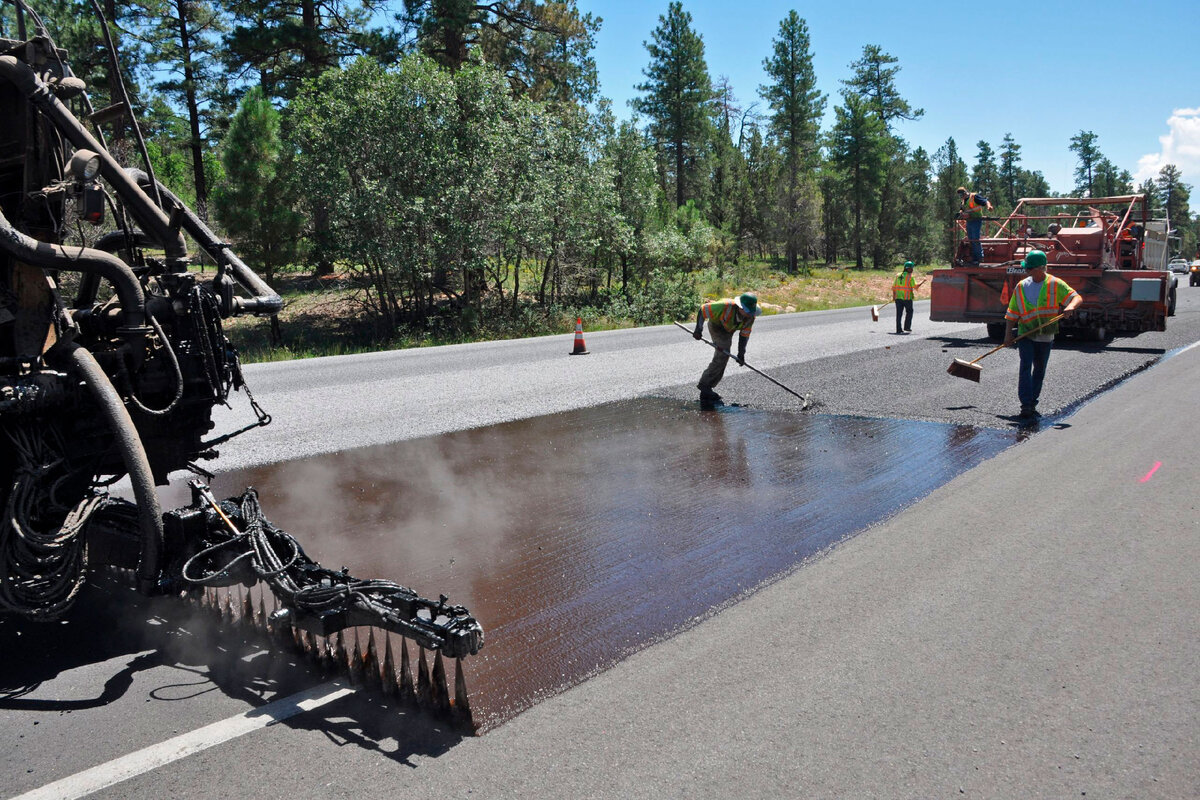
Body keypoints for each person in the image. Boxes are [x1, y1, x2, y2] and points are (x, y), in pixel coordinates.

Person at [1002, 250, 1082, 420]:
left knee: (1039, 370)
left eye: (1029, 269)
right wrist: (1008, 335)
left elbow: (1076, 297)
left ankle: (1032, 402)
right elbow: (1012, 313)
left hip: (1046, 336)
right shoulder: (1022, 286)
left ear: (1040, 268)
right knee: (1025, 367)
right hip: (1026, 334)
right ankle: (1025, 405)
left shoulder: (1055, 284)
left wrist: (1070, 307)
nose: (1026, 272)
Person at [692, 292, 761, 405]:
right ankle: (705, 386)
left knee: (725, 356)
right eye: (747, 311)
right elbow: (703, 310)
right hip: (717, 326)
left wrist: (741, 354)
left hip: (729, 329)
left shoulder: (750, 318)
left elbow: (744, 335)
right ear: (740, 307)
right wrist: (698, 330)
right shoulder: (724, 306)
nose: (749, 314)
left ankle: (707, 388)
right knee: (723, 354)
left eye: (751, 312)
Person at [957, 186, 993, 264]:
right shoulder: (963, 201)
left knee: (975, 239)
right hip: (969, 221)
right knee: (970, 239)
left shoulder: (974, 196)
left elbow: (985, 201)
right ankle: (975, 258)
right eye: (959, 196)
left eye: (961, 195)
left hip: (976, 220)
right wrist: (960, 213)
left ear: (965, 193)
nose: (961, 197)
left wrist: (989, 206)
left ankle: (980, 257)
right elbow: (961, 208)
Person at [892, 261, 917, 333]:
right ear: (908, 269)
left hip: (898, 298)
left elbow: (894, 287)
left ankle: (898, 329)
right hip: (907, 298)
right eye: (911, 268)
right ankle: (907, 327)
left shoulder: (898, 275)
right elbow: (915, 286)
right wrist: (922, 282)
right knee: (909, 312)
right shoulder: (910, 277)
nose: (912, 270)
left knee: (899, 314)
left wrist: (894, 296)